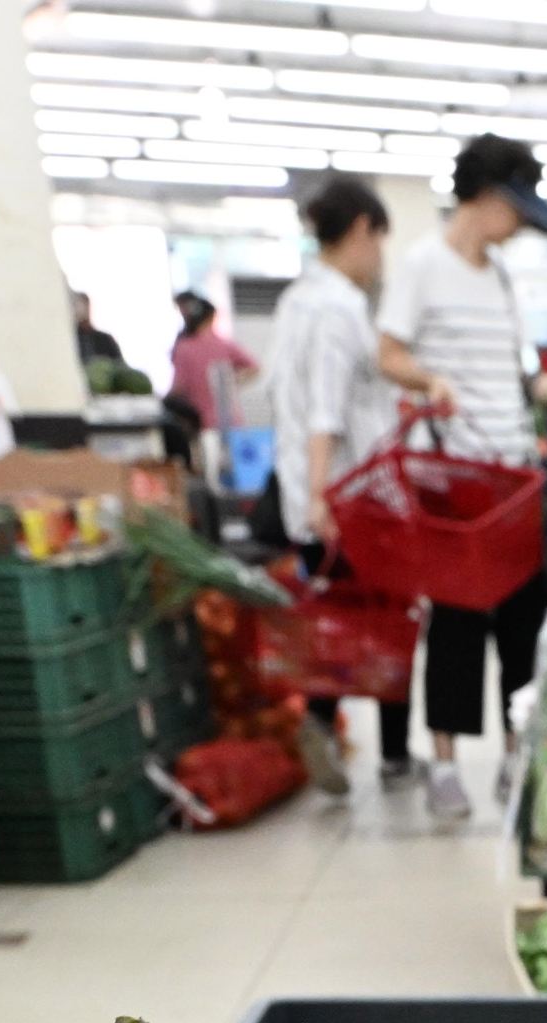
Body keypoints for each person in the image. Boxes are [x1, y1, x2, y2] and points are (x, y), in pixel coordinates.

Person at [376, 132, 547, 824]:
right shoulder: (422, 266)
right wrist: (431, 380)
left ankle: (518, 754)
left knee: (524, 617)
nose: (517, 228)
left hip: (513, 468)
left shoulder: (500, 277)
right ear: (487, 201)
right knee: (457, 619)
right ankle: (446, 763)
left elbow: (510, 374)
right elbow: (388, 352)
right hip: (454, 472)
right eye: (515, 211)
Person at [270, 177, 410, 792]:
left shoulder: (296, 301)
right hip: (351, 499)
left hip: (317, 493)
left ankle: (329, 726)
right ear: (360, 230)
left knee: (338, 622)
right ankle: (390, 755)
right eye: (379, 241)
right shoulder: (338, 307)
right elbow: (326, 409)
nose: (379, 257)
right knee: (388, 623)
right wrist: (325, 495)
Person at [167, 292, 256, 436]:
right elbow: (254, 367)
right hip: (231, 422)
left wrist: (164, 402)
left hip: (200, 424)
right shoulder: (224, 344)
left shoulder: (184, 347)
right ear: (211, 317)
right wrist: (234, 381)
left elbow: (179, 387)